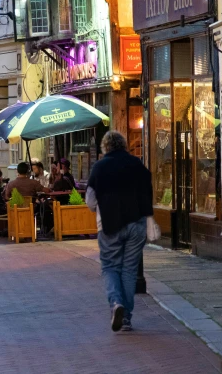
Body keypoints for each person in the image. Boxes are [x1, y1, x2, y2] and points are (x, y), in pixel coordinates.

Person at [86, 131, 153, 333]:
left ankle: (116, 303)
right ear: (124, 145)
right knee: (129, 270)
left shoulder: (99, 167)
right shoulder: (137, 164)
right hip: (136, 222)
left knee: (110, 266)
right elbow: (148, 193)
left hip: (109, 223)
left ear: (105, 147)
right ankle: (127, 319)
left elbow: (90, 200)